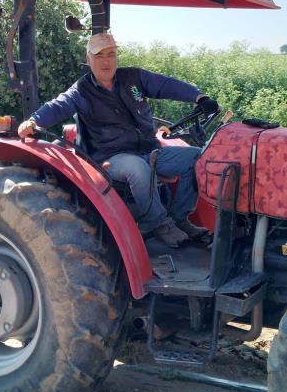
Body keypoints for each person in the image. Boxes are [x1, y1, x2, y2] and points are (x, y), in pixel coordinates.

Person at [17, 32, 218, 247]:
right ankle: (159, 223)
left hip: (150, 149)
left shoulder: (133, 78)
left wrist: (198, 97)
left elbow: (166, 84)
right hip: (110, 158)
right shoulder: (81, 92)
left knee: (199, 158)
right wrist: (34, 120)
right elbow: (58, 105)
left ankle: (180, 218)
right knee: (138, 168)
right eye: (99, 55)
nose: (106, 61)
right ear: (88, 59)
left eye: (111, 54)